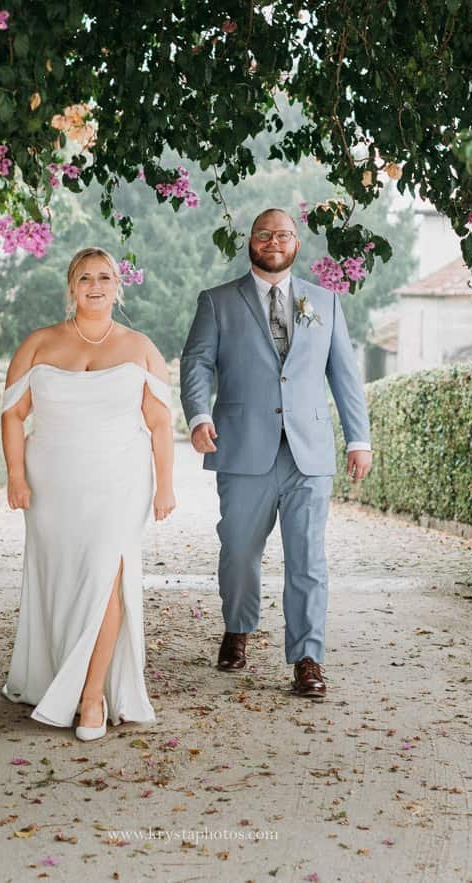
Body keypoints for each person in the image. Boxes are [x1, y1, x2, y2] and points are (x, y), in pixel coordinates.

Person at [179, 208, 372, 698]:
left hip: (309, 453)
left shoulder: (325, 302)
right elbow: (198, 363)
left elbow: (345, 375)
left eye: (283, 234)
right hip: (242, 447)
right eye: (265, 234)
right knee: (240, 551)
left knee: (308, 558)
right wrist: (200, 416)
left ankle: (308, 657)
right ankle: (237, 628)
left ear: (296, 242)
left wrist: (359, 438)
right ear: (252, 241)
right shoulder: (218, 301)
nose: (273, 241)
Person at [0, 247, 176, 741]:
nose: (95, 286)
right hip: (53, 482)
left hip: (120, 480)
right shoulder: (38, 344)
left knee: (107, 577)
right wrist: (17, 475)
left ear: (118, 287)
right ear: (70, 287)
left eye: (104, 277)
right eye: (84, 278)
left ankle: (93, 696)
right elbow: (13, 415)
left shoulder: (140, 346)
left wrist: (165, 485)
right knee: (64, 582)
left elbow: (160, 424)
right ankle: (60, 673)